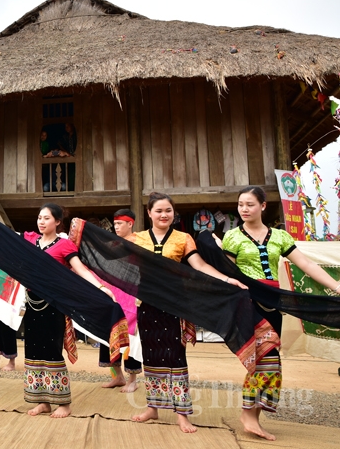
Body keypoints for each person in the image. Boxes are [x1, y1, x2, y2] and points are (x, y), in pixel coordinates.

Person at [222, 186, 340, 441]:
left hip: (274, 303)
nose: (244, 209)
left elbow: (306, 264)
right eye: (241, 204)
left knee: (272, 362)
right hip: (248, 301)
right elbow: (226, 273)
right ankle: (248, 415)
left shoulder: (280, 237)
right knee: (265, 359)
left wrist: (336, 286)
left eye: (250, 204)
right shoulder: (232, 237)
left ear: (263, 206)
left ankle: (252, 414)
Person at [131, 192, 245, 433]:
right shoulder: (136, 238)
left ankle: (182, 413)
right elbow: (116, 260)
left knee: (175, 356)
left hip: (174, 304)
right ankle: (153, 407)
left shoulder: (183, 239)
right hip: (147, 304)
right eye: (159, 210)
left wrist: (227, 279)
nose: (164, 215)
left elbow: (200, 266)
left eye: (168, 211)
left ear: (174, 213)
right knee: (151, 355)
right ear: (149, 213)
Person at [22, 203, 114, 418]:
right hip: (31, 303)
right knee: (33, 351)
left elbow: (81, 269)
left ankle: (63, 403)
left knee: (52, 351)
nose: (41, 222)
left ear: (57, 222)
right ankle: (42, 401)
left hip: (53, 305)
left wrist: (100, 287)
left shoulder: (64, 246)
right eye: (39, 218)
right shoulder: (29, 241)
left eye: (46, 218)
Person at [97, 209, 142, 392]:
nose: (116, 227)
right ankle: (117, 376)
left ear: (130, 224)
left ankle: (133, 379)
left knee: (131, 336)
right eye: (114, 224)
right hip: (113, 294)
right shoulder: (112, 245)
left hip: (132, 294)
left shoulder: (140, 243)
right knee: (109, 333)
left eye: (119, 224)